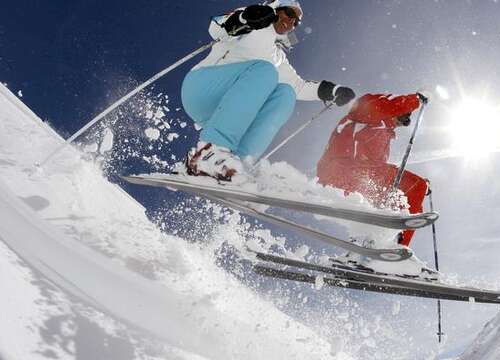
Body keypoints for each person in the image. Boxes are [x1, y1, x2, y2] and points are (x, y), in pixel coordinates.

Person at [180, 0, 355, 181]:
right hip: (201, 89)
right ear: (276, 7)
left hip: (222, 113)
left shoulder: (276, 56)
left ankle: (236, 163)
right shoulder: (253, 21)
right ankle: (207, 152)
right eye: (289, 13)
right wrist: (245, 17)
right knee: (265, 71)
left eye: (297, 22)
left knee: (285, 94)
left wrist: (331, 90)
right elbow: (217, 27)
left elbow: (298, 86)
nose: (292, 22)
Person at [317, 92, 429, 249]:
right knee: (416, 186)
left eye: (406, 121)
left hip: (359, 177)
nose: (403, 122)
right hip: (341, 170)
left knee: (408, 199)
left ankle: (371, 249)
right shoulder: (367, 111)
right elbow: (385, 107)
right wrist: (415, 100)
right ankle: (392, 247)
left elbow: (379, 169)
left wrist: (413, 191)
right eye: (403, 117)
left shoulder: (383, 132)